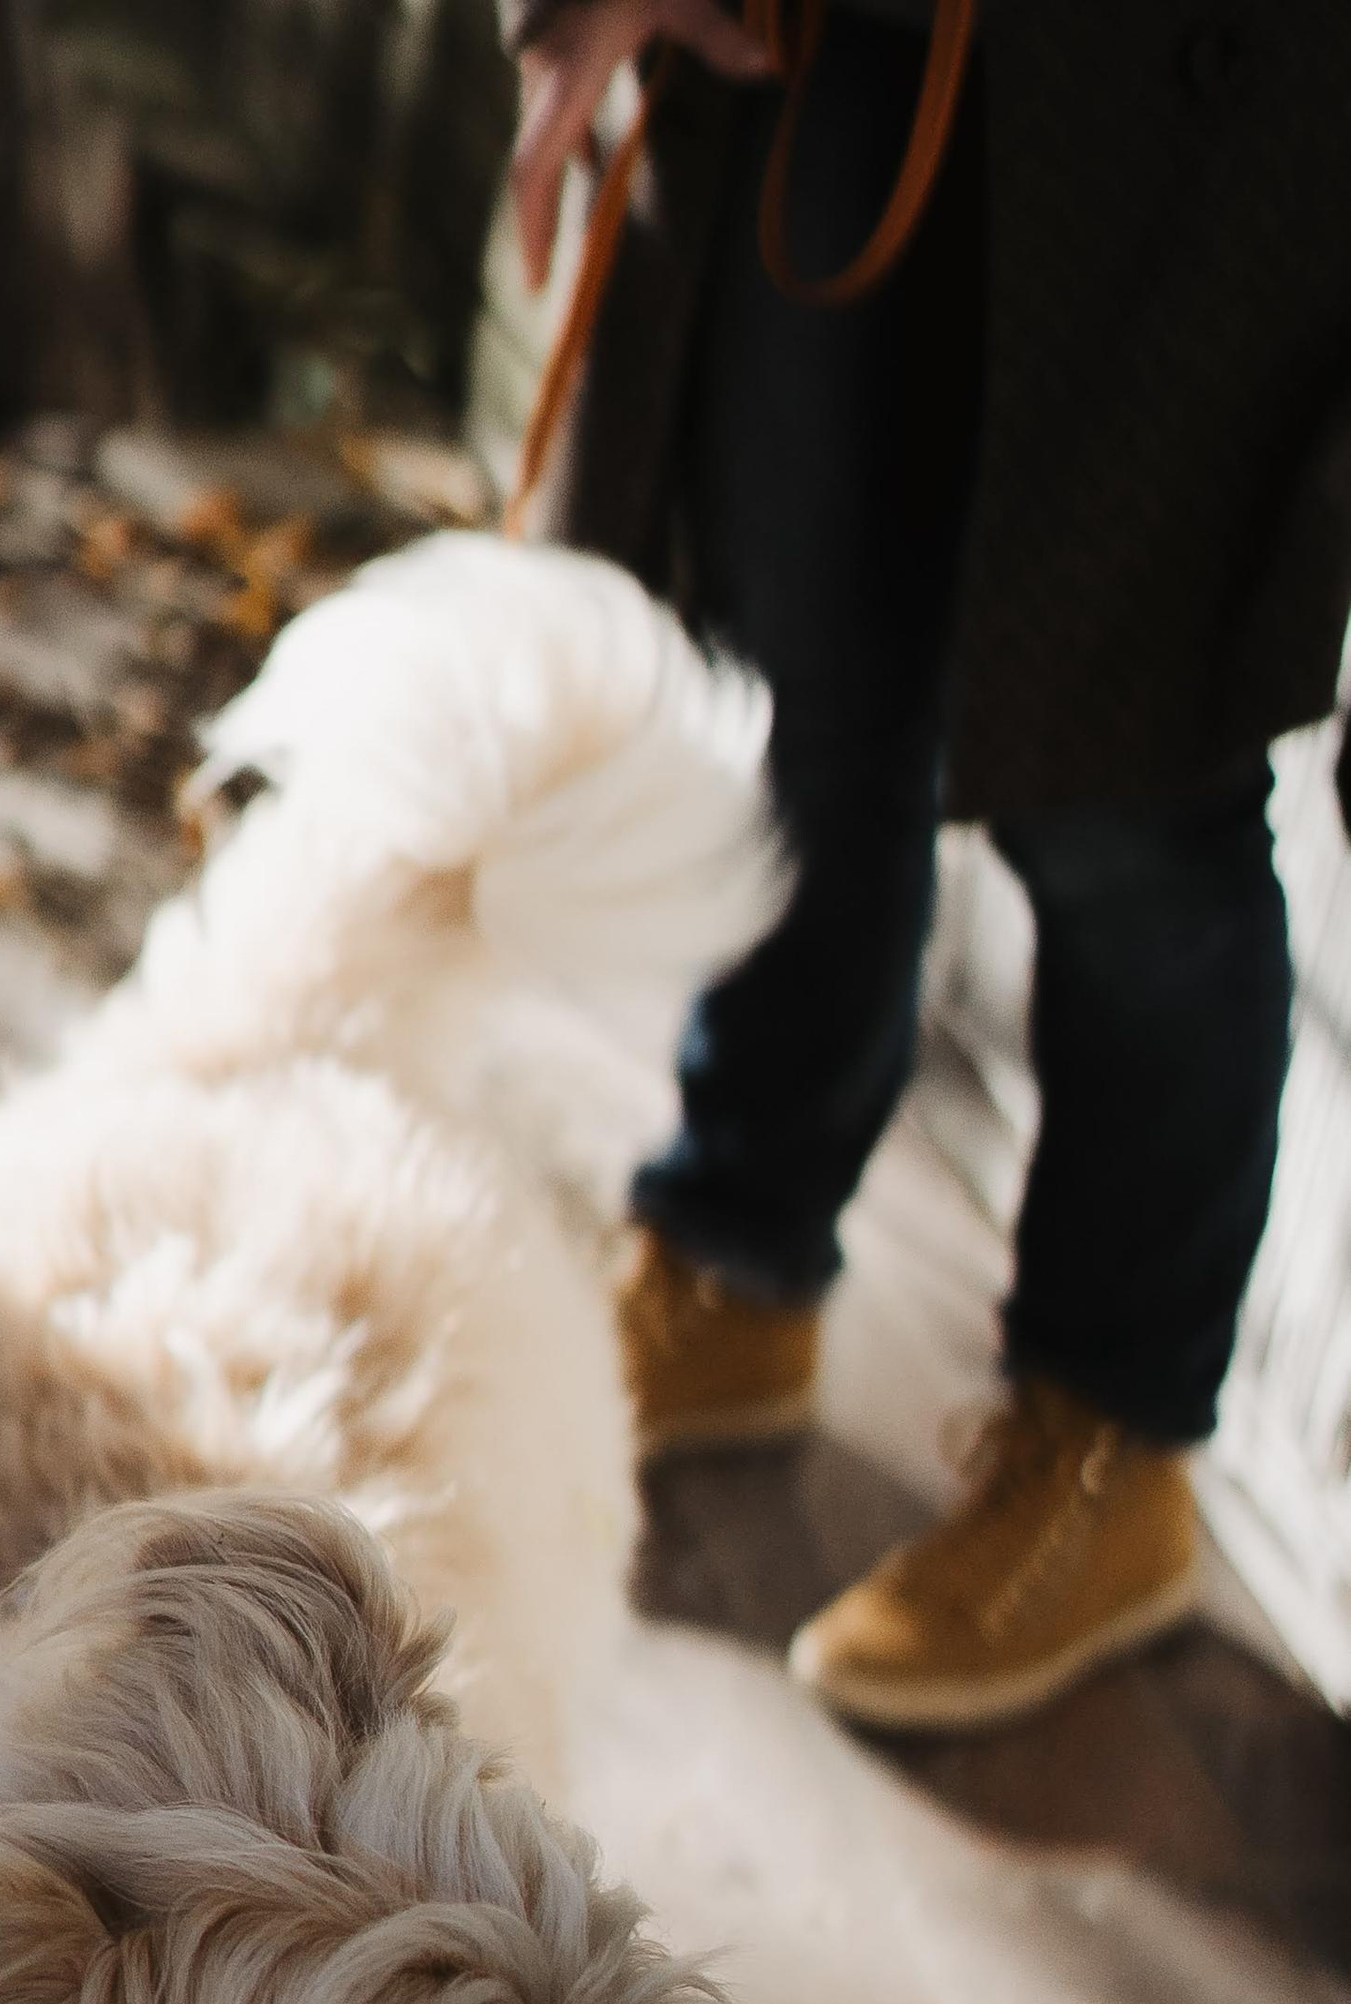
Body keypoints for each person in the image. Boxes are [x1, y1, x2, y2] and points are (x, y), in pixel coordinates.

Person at [501, 0, 1351, 1729]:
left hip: (1220, 106)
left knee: (1132, 794)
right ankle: (736, 1245)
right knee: (798, 684)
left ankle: (1114, 1434)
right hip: (840, 39)